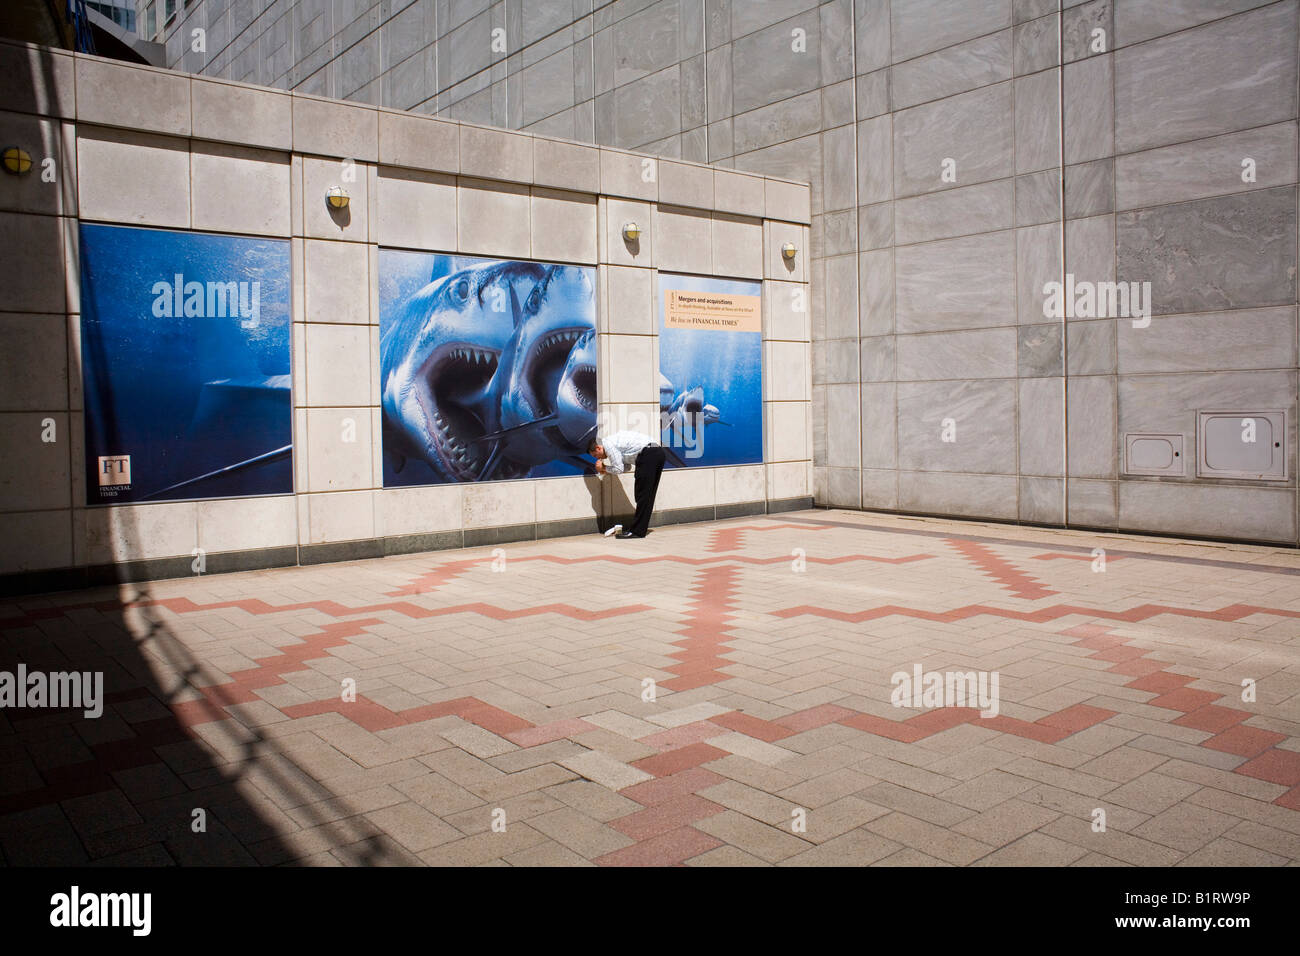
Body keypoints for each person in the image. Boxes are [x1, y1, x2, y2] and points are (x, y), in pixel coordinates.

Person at [589, 431, 667, 538]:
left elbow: (618, 469)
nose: (597, 458)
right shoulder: (613, 443)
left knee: (642, 495)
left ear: (598, 448)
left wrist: (603, 468)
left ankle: (637, 531)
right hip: (657, 452)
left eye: (595, 455)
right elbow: (626, 467)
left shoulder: (608, 445)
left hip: (648, 454)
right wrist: (605, 469)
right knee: (647, 495)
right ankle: (639, 529)